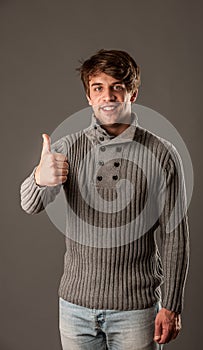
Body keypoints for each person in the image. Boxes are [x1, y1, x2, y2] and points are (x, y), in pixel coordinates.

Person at [20, 49, 189, 350]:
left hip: (137, 310)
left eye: (117, 87)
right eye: (98, 88)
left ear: (132, 94)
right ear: (88, 96)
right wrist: (38, 179)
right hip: (75, 309)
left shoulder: (162, 153)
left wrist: (172, 305)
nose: (107, 96)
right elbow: (30, 205)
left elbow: (175, 235)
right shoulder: (67, 148)